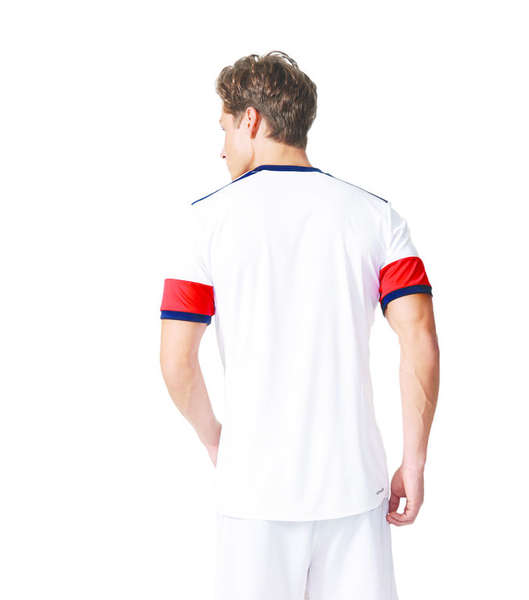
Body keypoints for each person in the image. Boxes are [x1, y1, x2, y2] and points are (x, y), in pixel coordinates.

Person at [159, 50, 440, 600]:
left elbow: (176, 361)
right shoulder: (376, 217)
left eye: (224, 128)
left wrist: (217, 441)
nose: (221, 148)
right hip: (354, 487)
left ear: (251, 120)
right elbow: (419, 338)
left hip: (253, 495)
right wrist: (414, 459)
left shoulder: (204, 223)